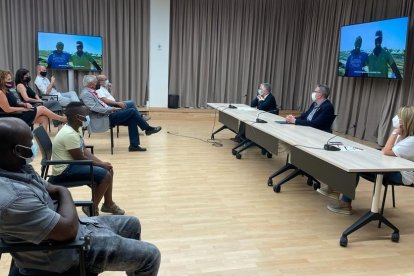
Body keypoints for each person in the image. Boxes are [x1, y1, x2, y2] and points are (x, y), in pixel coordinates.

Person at [0, 117, 161, 275]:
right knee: (151, 256)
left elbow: (48, 187)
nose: (33, 147)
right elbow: (67, 230)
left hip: (69, 227)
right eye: (29, 144)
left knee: (132, 224)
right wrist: (64, 192)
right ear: (17, 151)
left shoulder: (15, 167)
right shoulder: (13, 198)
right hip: (65, 254)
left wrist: (60, 196)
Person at [326, 106, 414, 215]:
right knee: (355, 159)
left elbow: (386, 151)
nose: (396, 118)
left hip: (401, 175)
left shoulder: (411, 140)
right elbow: (386, 151)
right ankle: (336, 190)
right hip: (391, 166)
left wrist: (395, 132)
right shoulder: (404, 135)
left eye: (399, 117)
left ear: (405, 121)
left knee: (356, 167)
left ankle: (345, 203)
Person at [49, 101, 125, 215]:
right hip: (64, 171)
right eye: (85, 114)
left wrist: (102, 163)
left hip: (72, 164)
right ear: (78, 117)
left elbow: (83, 150)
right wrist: (101, 165)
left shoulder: (76, 127)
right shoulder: (69, 134)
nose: (87, 117)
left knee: (108, 169)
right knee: (105, 176)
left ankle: (108, 204)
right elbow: (80, 158)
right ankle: (91, 208)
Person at [80, 75, 161, 152]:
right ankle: (147, 129)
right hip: (103, 118)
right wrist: (113, 108)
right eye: (96, 82)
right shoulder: (86, 94)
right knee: (132, 111)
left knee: (132, 119)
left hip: (107, 114)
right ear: (91, 85)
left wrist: (112, 108)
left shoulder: (91, 91)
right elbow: (95, 108)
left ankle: (134, 146)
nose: (98, 83)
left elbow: (101, 104)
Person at [0, 70, 66, 130]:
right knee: (42, 108)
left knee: (44, 118)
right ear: (2, 81)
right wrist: (22, 109)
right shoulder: (1, 92)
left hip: (19, 112)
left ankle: (42, 141)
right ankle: (63, 119)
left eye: (11, 79)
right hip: (13, 116)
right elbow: (7, 109)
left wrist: (24, 104)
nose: (11, 81)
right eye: (8, 79)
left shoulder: (7, 90)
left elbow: (16, 102)